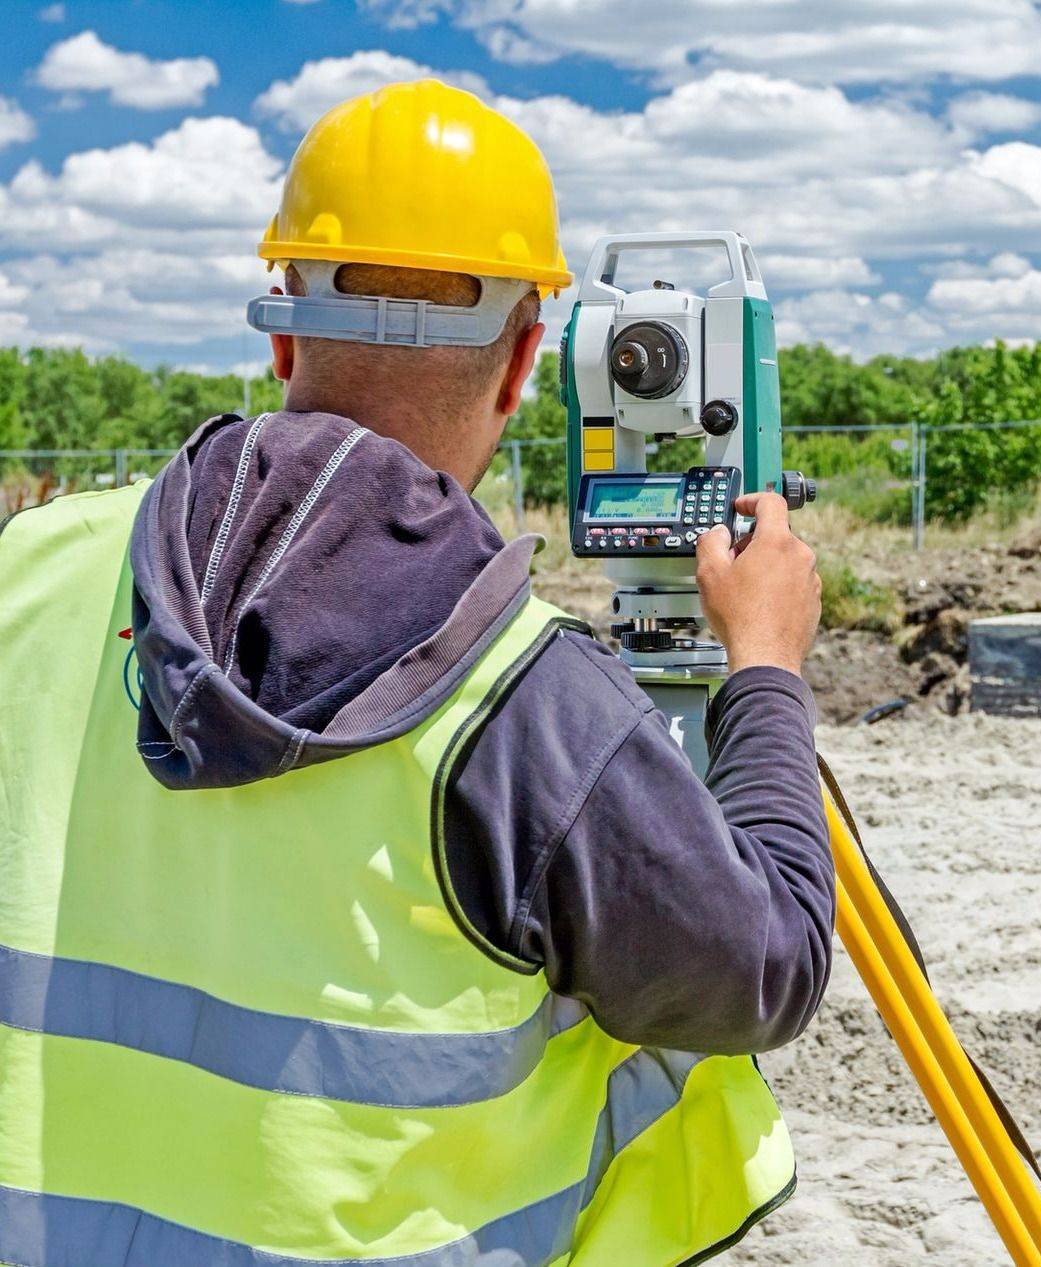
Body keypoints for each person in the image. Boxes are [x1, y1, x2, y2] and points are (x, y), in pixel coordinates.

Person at [0, 81, 831, 1265]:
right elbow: (765, 966)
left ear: (281, 330)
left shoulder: (29, 572)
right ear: (524, 362)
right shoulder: (527, 704)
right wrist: (764, 671)